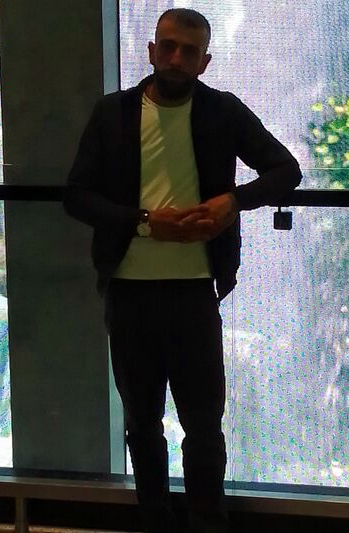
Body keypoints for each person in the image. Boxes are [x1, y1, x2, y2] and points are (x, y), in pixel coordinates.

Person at [64, 8, 302, 533]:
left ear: (204, 61)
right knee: (142, 423)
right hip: (127, 290)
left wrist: (232, 202)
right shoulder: (112, 113)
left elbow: (287, 169)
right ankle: (155, 520)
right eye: (168, 46)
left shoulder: (222, 111)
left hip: (195, 293)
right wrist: (144, 222)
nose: (176, 58)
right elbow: (76, 196)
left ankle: (207, 523)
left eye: (188, 51)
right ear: (151, 51)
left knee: (203, 426)